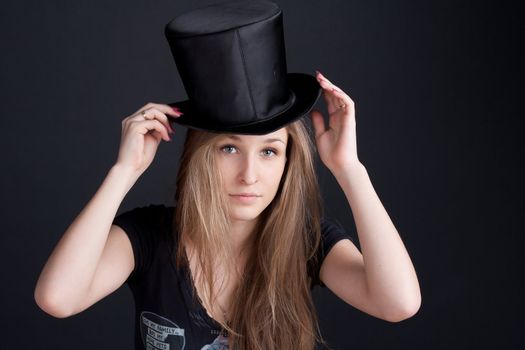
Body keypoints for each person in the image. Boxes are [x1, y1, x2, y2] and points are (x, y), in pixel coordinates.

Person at [34, 1, 421, 349]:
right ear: (202, 155)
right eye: (229, 148)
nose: (249, 175)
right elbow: (58, 299)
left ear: (288, 161)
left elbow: (398, 304)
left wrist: (349, 169)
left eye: (269, 151)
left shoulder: (306, 242)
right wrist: (123, 171)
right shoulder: (148, 238)